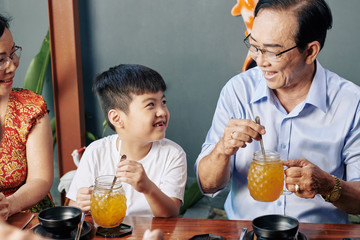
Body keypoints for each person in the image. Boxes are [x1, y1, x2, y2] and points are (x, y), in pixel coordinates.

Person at [195, 0, 360, 224]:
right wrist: (223, 149)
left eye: (272, 52)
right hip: (245, 233)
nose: (259, 61)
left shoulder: (351, 102)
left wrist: (329, 186)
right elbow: (207, 185)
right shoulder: (238, 90)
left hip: (318, 235)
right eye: (254, 45)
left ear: (310, 51)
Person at [67, 64, 187, 217]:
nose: (162, 111)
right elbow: (73, 207)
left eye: (163, 102)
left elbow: (171, 212)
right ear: (117, 118)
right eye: (151, 104)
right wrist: (81, 204)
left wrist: (148, 187)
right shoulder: (96, 152)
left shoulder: (173, 154)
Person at [0, 14, 54, 221]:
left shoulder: (30, 107)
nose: (13, 66)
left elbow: (40, 178)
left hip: (26, 217)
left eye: (12, 54)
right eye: (0, 60)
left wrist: (8, 205)